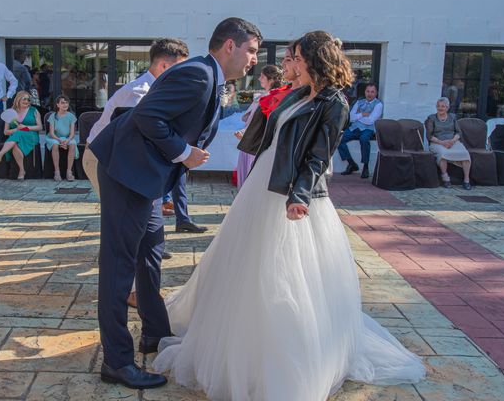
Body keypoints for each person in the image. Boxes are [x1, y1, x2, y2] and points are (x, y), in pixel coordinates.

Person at [152, 31, 425, 400]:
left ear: (314, 60)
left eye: (294, 58)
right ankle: (240, 339)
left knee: (286, 274)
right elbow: (275, 134)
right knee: (248, 265)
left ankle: (286, 358)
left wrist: (299, 196)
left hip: (292, 193)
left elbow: (318, 156)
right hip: (262, 184)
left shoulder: (335, 103)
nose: (288, 65)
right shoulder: (296, 94)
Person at [89, 18, 261, 391]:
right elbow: (149, 116)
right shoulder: (199, 74)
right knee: (118, 268)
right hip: (126, 174)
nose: (253, 60)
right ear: (229, 46)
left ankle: (154, 333)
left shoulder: (210, 77)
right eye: (250, 51)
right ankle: (116, 362)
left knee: (150, 254)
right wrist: (184, 153)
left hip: (146, 177)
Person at [83, 38, 190, 310]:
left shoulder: (156, 89)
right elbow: (136, 141)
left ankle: (135, 285)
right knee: (127, 224)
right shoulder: (139, 93)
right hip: (105, 159)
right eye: (180, 68)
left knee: (138, 224)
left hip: (125, 160)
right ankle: (129, 290)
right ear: (164, 65)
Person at [234, 64, 283, 189]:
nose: (259, 79)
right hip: (249, 139)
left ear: (271, 80)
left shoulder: (272, 98)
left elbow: (263, 125)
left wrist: (247, 134)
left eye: (262, 76)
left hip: (256, 144)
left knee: (251, 180)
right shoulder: (262, 96)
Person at [425, 97, 472, 190]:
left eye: (443, 106)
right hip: (437, 142)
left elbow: (459, 132)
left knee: (465, 154)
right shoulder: (432, 118)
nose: (440, 108)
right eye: (438, 106)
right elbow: (429, 136)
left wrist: (453, 141)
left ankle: (466, 180)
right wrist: (441, 142)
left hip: (452, 141)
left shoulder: (452, 117)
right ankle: (445, 178)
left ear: (447, 108)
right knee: (443, 154)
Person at [0, 91, 42, 180]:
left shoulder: (34, 111)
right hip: (16, 138)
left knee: (18, 134)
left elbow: (40, 127)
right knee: (15, 144)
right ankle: (22, 170)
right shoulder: (10, 113)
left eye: (28, 99)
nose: (27, 101)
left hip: (31, 136)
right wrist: (16, 129)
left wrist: (26, 127)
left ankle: (1, 153)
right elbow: (6, 132)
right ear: (18, 100)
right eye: (24, 99)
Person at [338, 83, 382, 178]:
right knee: (339, 138)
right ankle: (351, 164)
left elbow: (370, 121)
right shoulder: (359, 102)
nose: (369, 94)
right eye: (368, 91)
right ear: (365, 92)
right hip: (354, 128)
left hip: (368, 130)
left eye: (372, 92)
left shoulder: (378, 105)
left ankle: (365, 167)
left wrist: (358, 116)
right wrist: (362, 114)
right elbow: (350, 117)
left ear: (376, 93)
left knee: (364, 139)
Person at [46, 95, 79, 182]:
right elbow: (52, 133)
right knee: (55, 144)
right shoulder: (53, 116)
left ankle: (69, 172)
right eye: (62, 103)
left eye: (66, 102)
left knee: (72, 144)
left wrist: (67, 140)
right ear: (58, 105)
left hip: (67, 137)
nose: (65, 104)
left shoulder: (71, 116)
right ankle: (57, 172)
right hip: (54, 137)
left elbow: (72, 133)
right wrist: (60, 140)